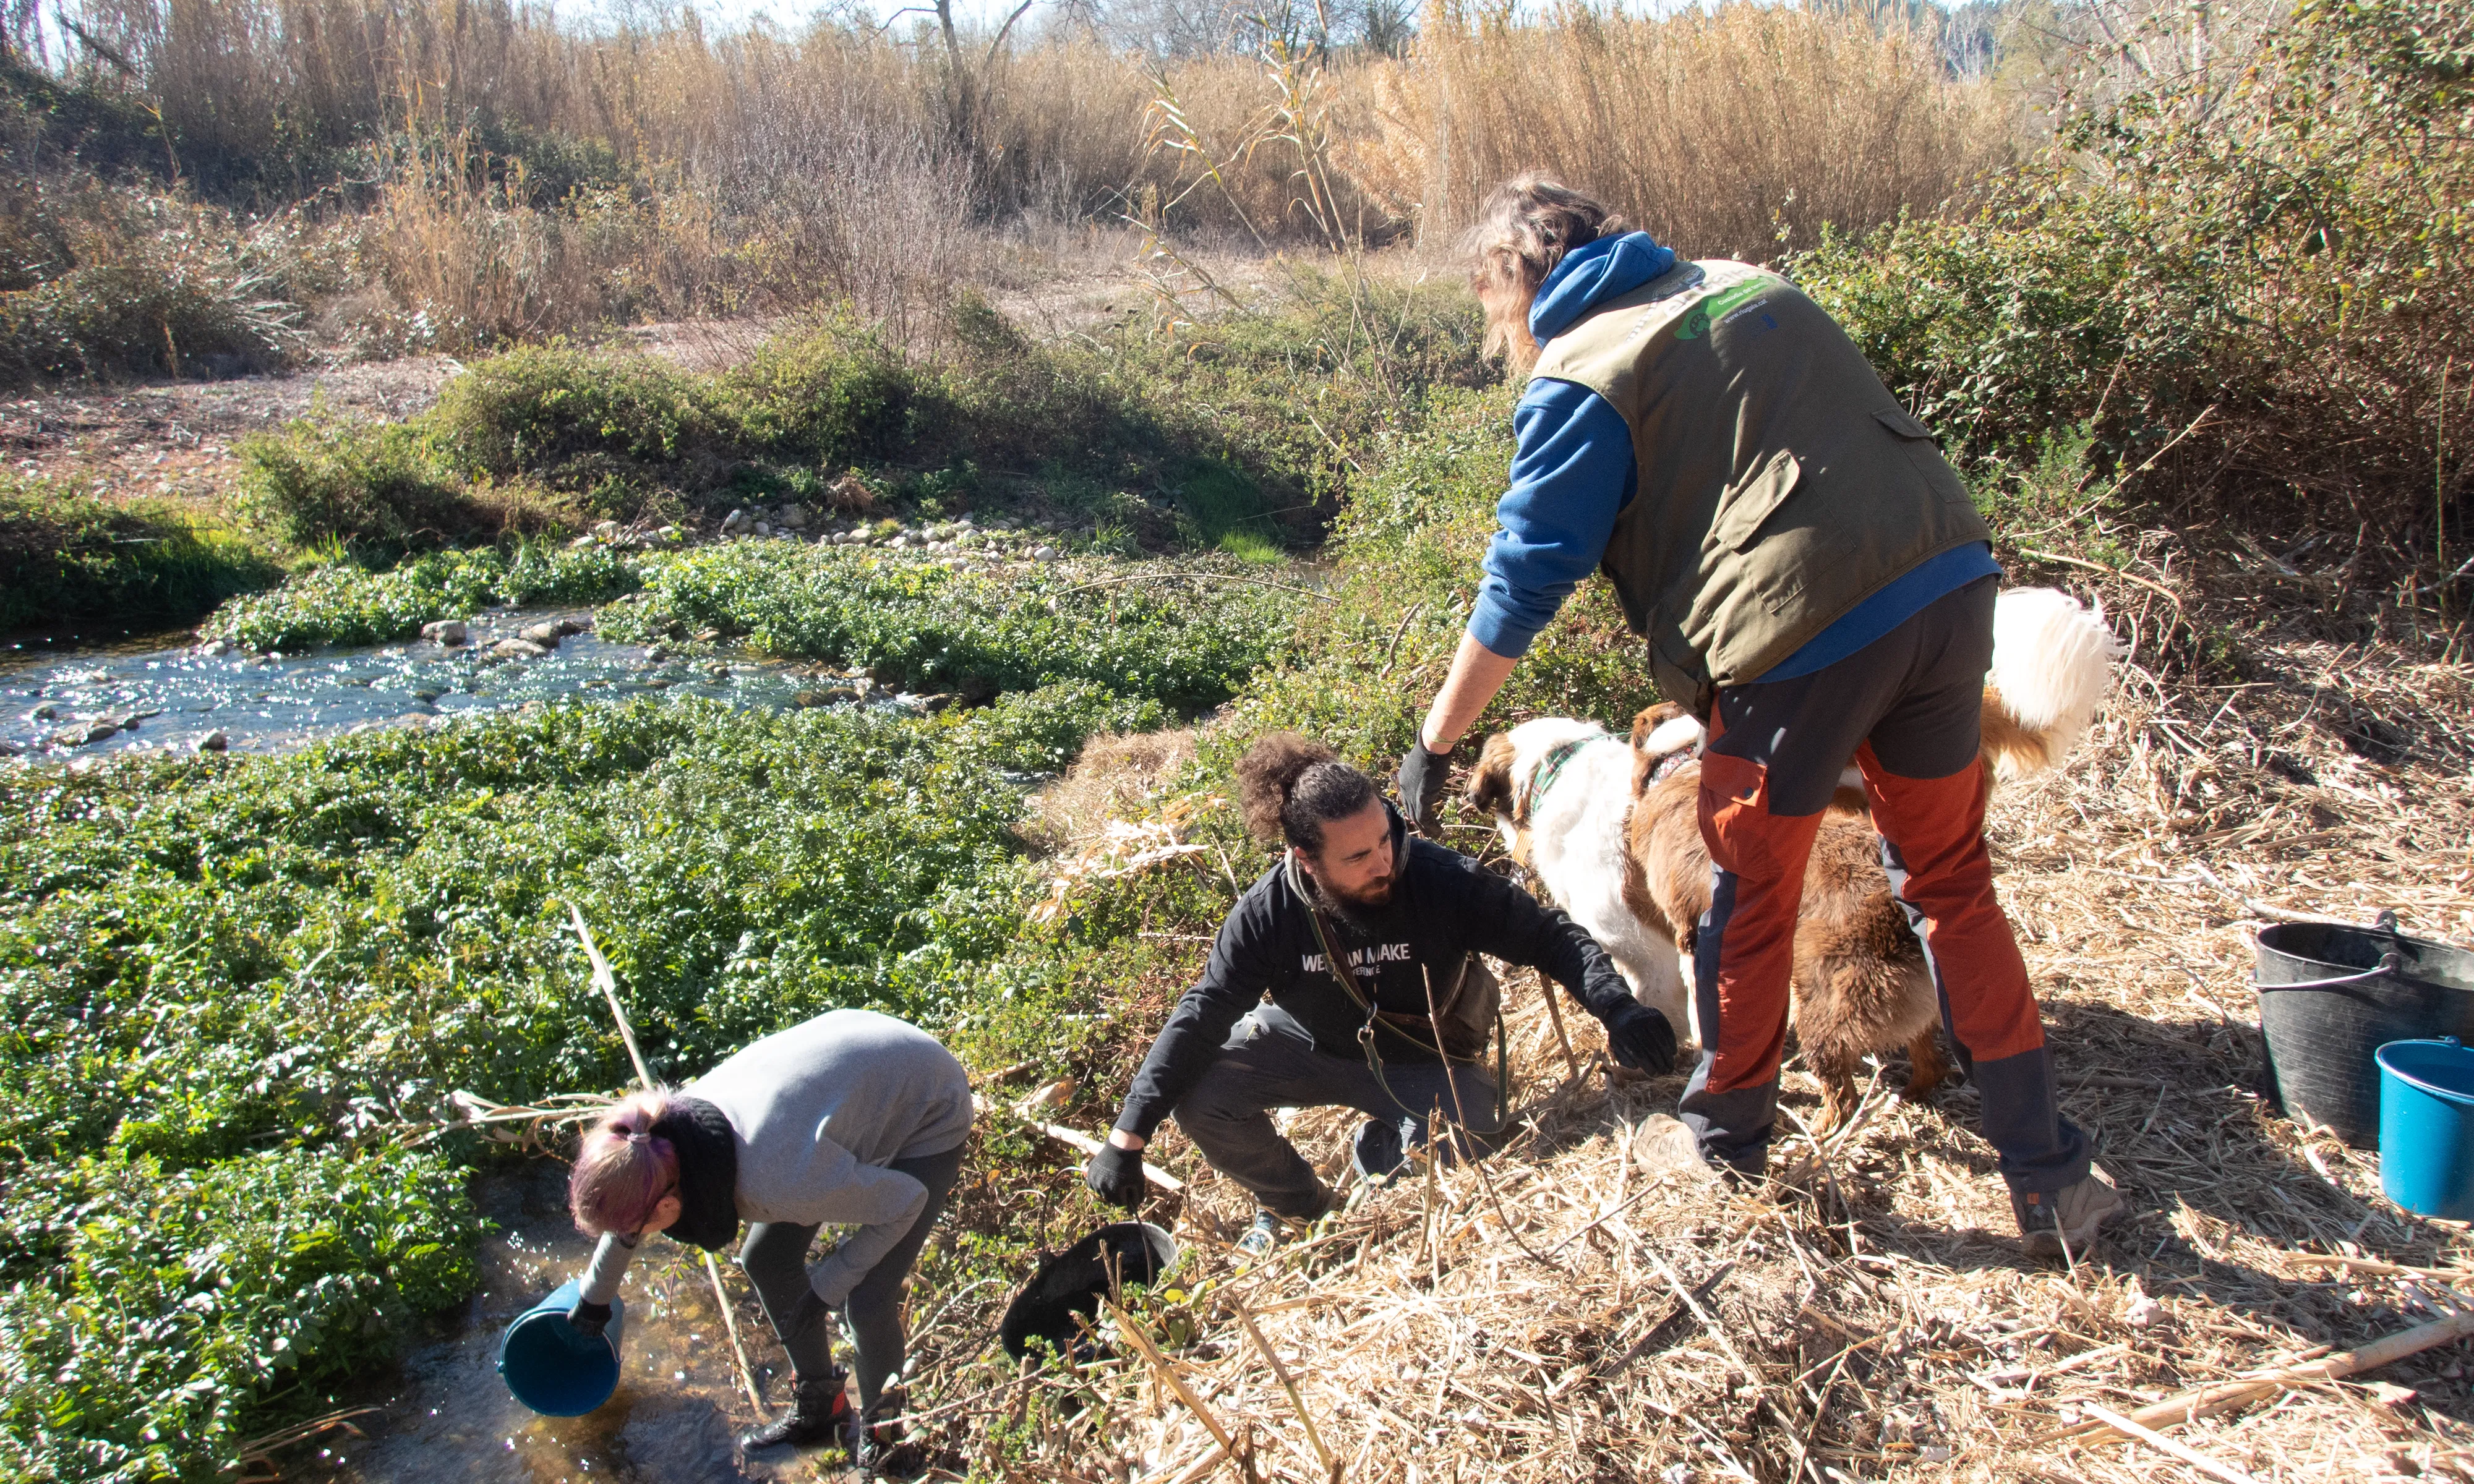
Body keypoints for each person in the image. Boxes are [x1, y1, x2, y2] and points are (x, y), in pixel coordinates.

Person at [1395, 174, 2120, 1258]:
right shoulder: (1746, 284)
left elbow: (1524, 578)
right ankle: (2051, 1178)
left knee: (1747, 889)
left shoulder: (1582, 371)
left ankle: (1726, 1140)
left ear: (1514, 284)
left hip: (1802, 637)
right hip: (1950, 577)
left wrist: (1436, 742)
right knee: (1952, 887)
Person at [1084, 733, 1675, 1254]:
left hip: (1428, 1058)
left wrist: (1616, 1006)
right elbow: (1203, 1013)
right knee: (1204, 1095)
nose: (1384, 862)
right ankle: (1306, 1208)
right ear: (1306, 860)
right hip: (1310, 1046)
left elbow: (1551, 937)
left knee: (1451, 1170)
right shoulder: (1268, 915)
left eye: (1385, 838)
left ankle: (1387, 1145)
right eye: (1358, 856)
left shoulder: (1439, 879)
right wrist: (1127, 1137)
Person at [563, 1007, 972, 1467]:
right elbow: (629, 1217)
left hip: (929, 1103)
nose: (633, 1236)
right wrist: (593, 1300)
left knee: (868, 1299)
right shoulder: (659, 1137)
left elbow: (906, 1202)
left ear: (666, 1207)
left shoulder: (779, 1182)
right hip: (855, 1077)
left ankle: (886, 1443)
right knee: (766, 1258)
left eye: (637, 1228)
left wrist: (828, 1285)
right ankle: (823, 1407)